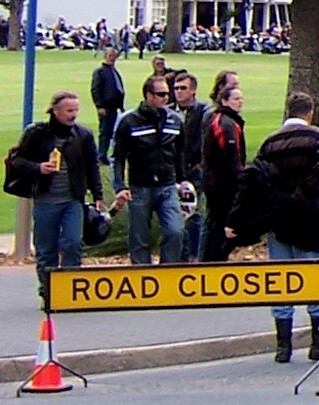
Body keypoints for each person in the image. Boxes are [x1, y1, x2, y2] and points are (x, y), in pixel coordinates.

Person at [227, 92, 319, 363]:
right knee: (314, 281)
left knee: (281, 281)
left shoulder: (270, 142)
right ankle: (318, 344)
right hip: (308, 218)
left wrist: (239, 219)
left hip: (277, 219)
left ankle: (283, 346)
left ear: (287, 112)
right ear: (309, 113)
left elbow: (252, 178)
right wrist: (303, 191)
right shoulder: (317, 137)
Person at [5, 91, 102, 291]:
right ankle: (48, 291)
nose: (73, 115)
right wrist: (38, 168)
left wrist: (98, 195)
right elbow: (17, 160)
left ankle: (71, 289)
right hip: (45, 199)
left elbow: (92, 166)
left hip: (72, 199)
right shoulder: (37, 134)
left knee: (73, 243)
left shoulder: (83, 135)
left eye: (76, 110)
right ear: (56, 111)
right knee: (46, 249)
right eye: (69, 110)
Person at [114, 72, 187, 264]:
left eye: (167, 94)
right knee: (139, 237)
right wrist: (120, 186)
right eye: (161, 94)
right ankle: (141, 272)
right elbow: (119, 156)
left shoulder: (175, 120)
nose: (166, 98)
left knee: (175, 230)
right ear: (148, 95)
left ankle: (167, 270)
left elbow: (180, 153)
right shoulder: (130, 121)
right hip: (140, 186)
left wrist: (182, 179)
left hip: (167, 185)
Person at [198, 76, 248, 263]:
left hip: (216, 182)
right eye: (236, 99)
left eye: (241, 98)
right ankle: (215, 261)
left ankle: (211, 260)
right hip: (221, 185)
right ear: (225, 101)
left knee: (214, 223)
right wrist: (239, 182)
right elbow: (230, 157)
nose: (240, 102)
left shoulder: (225, 120)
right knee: (219, 225)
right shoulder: (226, 123)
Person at [90, 47, 125, 169]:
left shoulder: (113, 71)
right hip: (106, 107)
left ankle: (106, 154)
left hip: (114, 107)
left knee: (111, 132)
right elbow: (95, 89)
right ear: (105, 56)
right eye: (110, 55)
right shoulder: (100, 72)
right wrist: (99, 105)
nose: (112, 58)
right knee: (105, 132)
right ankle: (101, 156)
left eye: (114, 56)